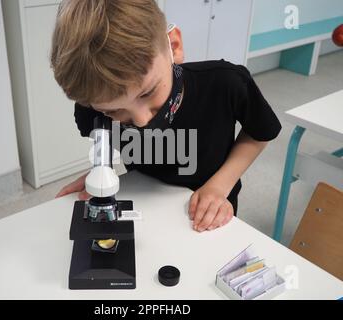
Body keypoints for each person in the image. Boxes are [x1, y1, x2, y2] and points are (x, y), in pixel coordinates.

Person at [50, 0, 282, 232]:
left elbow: (259, 132)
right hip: (147, 208)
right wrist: (102, 175)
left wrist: (220, 186)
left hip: (208, 214)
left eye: (148, 93)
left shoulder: (225, 84)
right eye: (113, 111)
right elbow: (106, 141)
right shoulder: (92, 108)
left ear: (174, 46)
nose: (142, 121)